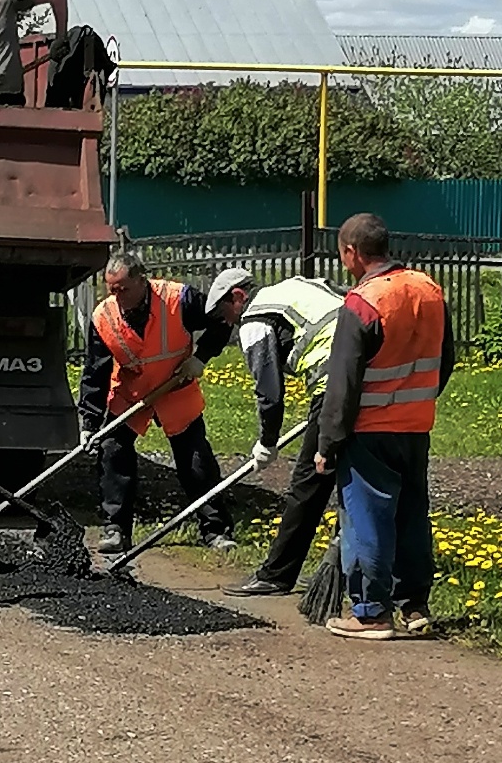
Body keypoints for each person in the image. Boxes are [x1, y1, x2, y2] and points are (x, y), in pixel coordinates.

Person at [315, 213, 456, 640]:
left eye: (342, 254)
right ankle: (414, 605)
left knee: (367, 519)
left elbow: (343, 381)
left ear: (352, 252)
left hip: (370, 430)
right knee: (412, 515)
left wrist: (328, 441)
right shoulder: (429, 290)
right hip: (415, 424)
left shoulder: (363, 302)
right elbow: (445, 360)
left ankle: (371, 612)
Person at [78, 250, 237, 554]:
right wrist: (88, 422)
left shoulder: (179, 299)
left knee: (195, 460)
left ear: (142, 280)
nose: (117, 295)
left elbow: (222, 318)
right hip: (132, 393)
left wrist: (200, 358)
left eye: (123, 288)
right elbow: (94, 372)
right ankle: (116, 529)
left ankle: (215, 529)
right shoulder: (103, 316)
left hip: (175, 386)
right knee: (113, 451)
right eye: (112, 289)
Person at [203, 268, 347, 597]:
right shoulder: (293, 287)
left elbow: (269, 391)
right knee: (354, 479)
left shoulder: (254, 319)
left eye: (224, 313)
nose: (227, 323)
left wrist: (267, 442)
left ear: (237, 297)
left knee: (308, 484)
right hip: (369, 374)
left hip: (335, 384)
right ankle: (349, 573)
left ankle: (276, 575)